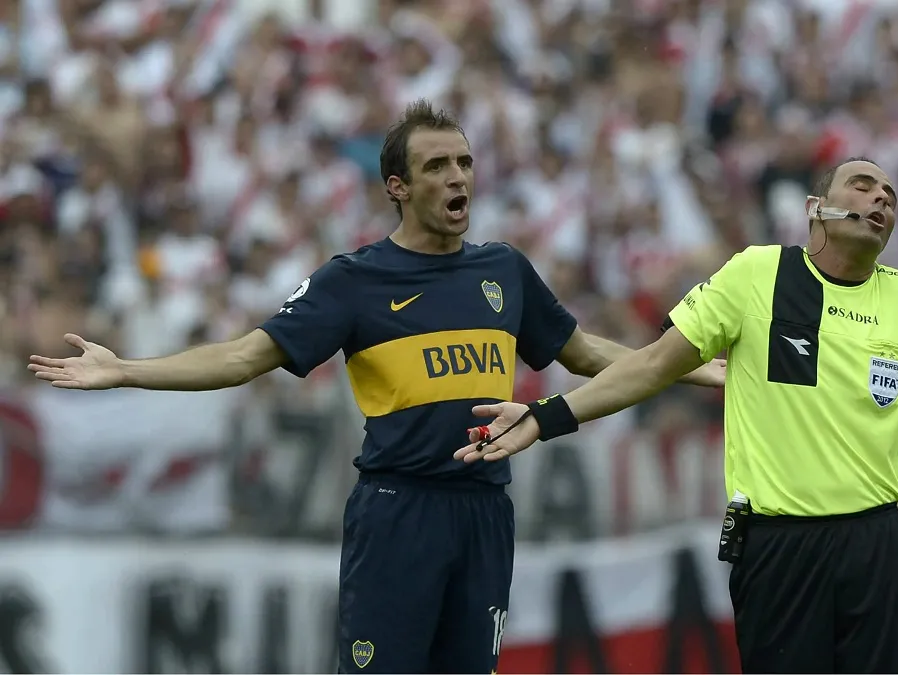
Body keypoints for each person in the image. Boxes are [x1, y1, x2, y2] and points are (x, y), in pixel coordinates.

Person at [26, 99, 725, 674]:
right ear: (397, 186)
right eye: (437, 166)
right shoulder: (355, 280)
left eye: (464, 163)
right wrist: (127, 370)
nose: (458, 179)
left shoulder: (504, 269)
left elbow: (585, 351)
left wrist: (691, 364)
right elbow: (243, 358)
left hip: (485, 513)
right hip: (399, 514)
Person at [451, 157, 898, 674]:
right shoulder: (754, 275)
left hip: (876, 547)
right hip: (777, 546)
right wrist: (546, 416)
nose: (881, 197)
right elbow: (650, 365)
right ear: (817, 207)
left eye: (891, 192)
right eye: (862, 184)